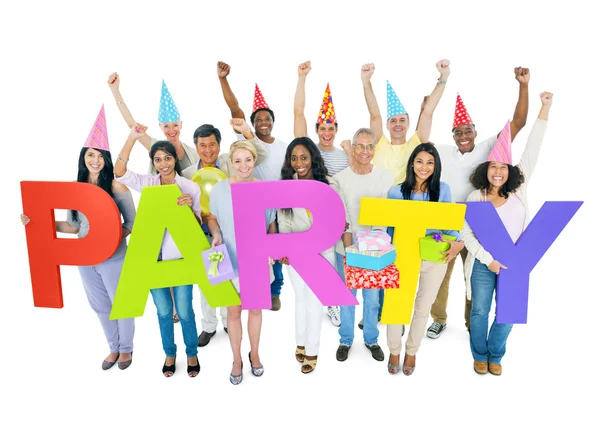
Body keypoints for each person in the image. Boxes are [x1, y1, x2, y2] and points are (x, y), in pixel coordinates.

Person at [21, 106, 135, 371]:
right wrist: (37, 221)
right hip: (84, 256)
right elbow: (73, 227)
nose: (95, 160)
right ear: (84, 157)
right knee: (99, 305)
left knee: (121, 302)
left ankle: (127, 349)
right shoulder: (75, 189)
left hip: (113, 255)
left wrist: (112, 238)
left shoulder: (116, 187)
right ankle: (113, 347)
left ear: (107, 159)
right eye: (90, 155)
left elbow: (131, 222)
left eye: (100, 156)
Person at [426, 67, 531, 339]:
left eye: (467, 130)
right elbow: (421, 136)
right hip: (446, 223)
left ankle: (472, 321)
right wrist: (436, 89)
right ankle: (438, 318)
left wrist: (523, 85)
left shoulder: (488, 148)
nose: (463, 135)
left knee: (474, 276)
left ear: (475, 131)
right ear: (453, 135)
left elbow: (517, 123)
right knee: (439, 275)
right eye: (458, 131)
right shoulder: (443, 152)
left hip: (478, 225)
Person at [462, 91, 552, 376]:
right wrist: (488, 260)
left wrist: (544, 109)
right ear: (486, 170)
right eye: (493, 167)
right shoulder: (476, 198)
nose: (498, 172)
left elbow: (533, 149)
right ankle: (479, 354)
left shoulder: (518, 191)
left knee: (508, 314)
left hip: (516, 262)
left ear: (509, 170)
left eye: (503, 167)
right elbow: (467, 236)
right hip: (483, 263)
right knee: (479, 312)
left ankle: (496, 355)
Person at [356, 59, 450, 330]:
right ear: (387, 125)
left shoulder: (415, 145)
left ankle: (397, 311)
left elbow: (429, 112)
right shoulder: (380, 142)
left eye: (402, 120)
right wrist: (366, 82)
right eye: (393, 120)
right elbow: (373, 114)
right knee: (378, 261)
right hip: (382, 214)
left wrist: (442, 78)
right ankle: (375, 311)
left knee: (402, 264)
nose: (397, 124)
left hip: (410, 214)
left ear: (408, 123)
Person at [108, 72, 199, 323]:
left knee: (184, 259)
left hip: (185, 215)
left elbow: (201, 183)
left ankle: (204, 316)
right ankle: (170, 309)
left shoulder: (193, 154)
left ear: (181, 124)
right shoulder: (157, 148)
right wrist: (116, 92)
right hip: (158, 213)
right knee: (160, 255)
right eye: (166, 126)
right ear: (161, 128)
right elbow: (133, 127)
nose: (171, 130)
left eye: (175, 125)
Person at [114, 123, 202, 378]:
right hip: (152, 257)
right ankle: (170, 353)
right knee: (164, 312)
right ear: (153, 162)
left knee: (184, 311)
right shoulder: (149, 183)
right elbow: (120, 172)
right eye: (158, 159)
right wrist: (131, 138)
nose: (164, 163)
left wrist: (188, 211)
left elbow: (197, 228)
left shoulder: (189, 187)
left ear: (175, 159)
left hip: (181, 258)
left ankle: (192, 351)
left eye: (167, 158)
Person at [181, 118, 266, 347]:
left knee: (232, 281)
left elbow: (255, 157)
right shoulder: (188, 173)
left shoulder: (232, 164)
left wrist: (245, 133)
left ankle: (230, 322)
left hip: (229, 232)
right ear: (196, 148)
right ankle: (209, 326)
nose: (208, 150)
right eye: (202, 145)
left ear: (219, 146)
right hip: (203, 233)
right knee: (210, 281)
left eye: (212, 144)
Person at [386, 143, 464, 375]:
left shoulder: (443, 190)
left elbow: (450, 222)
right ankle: (394, 350)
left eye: (430, 162)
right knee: (397, 306)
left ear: (436, 166)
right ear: (412, 163)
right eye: (420, 161)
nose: (424, 167)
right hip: (403, 254)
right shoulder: (396, 192)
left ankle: (412, 351)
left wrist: (458, 242)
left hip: (434, 254)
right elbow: (388, 229)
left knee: (423, 306)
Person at [217, 61, 287, 311]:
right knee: (247, 246)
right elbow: (235, 109)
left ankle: (274, 290)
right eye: (258, 119)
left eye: (267, 119)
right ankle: (242, 284)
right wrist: (223, 79)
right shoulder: (248, 142)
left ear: (273, 122)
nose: (263, 122)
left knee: (274, 246)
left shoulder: (282, 145)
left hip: (275, 206)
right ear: (253, 124)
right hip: (251, 205)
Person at [208, 139, 277, 384]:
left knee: (255, 309)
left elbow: (270, 224)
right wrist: (215, 234)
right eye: (237, 161)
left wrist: (270, 248)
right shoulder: (219, 190)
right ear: (230, 163)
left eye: (248, 160)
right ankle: (236, 359)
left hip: (256, 258)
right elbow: (213, 218)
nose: (243, 165)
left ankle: (255, 354)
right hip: (229, 257)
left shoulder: (263, 189)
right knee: (233, 311)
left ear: (254, 160)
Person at [278, 137, 346, 373]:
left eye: (304, 157)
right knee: (300, 298)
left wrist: (340, 227)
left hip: (322, 253)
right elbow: (284, 219)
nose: (299, 163)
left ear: (313, 158)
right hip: (295, 252)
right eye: (294, 158)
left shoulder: (330, 184)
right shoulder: (286, 185)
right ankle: (300, 341)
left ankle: (312, 350)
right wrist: (285, 246)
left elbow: (339, 218)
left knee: (314, 301)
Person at [293, 60, 348, 327]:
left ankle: (332, 303)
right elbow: (298, 113)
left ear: (336, 130)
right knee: (311, 263)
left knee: (335, 262)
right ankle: (317, 302)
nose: (327, 133)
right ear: (316, 131)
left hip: (333, 217)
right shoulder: (308, 151)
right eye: (322, 128)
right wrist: (302, 78)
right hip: (307, 215)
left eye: (331, 128)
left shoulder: (343, 156)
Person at [333, 128, 394, 363]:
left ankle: (371, 339)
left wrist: (375, 244)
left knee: (373, 299)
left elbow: (385, 214)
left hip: (374, 248)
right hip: (346, 247)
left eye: (370, 147)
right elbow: (342, 216)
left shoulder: (385, 177)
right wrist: (349, 247)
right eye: (360, 146)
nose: (365, 151)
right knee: (347, 297)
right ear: (353, 147)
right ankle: (345, 339)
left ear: (374, 149)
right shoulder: (340, 179)